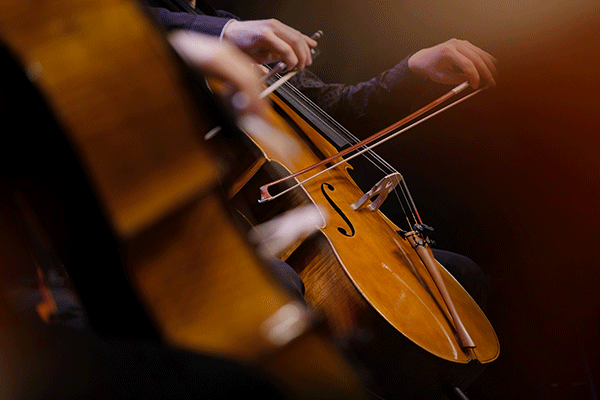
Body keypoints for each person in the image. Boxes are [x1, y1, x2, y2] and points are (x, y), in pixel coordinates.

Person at [147, 0, 494, 309]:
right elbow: (131, 20)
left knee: (464, 275)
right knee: (281, 283)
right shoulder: (138, 18)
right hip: (194, 204)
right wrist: (224, 34)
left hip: (322, 205)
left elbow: (330, 109)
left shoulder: (224, 20)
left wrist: (411, 68)